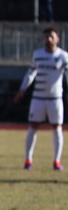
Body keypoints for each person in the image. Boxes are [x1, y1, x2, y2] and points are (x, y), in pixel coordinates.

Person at [13, 27, 68, 171]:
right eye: (46, 37)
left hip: (55, 99)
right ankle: (28, 159)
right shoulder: (37, 55)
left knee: (57, 128)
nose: (48, 39)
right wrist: (22, 89)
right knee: (33, 127)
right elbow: (30, 73)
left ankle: (56, 161)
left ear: (57, 39)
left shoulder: (63, 56)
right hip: (38, 98)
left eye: (51, 36)